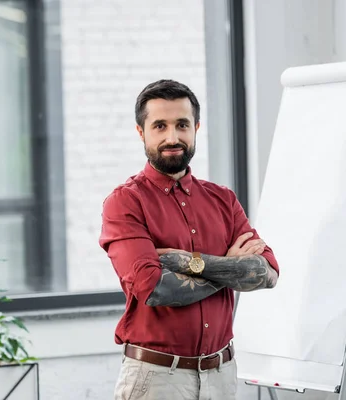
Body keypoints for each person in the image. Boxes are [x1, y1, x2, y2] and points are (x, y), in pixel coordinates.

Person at [99, 79, 280, 400]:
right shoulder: (126, 202)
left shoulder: (223, 199)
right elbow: (153, 288)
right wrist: (231, 268)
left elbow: (267, 274)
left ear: (196, 128)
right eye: (160, 126)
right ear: (141, 132)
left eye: (182, 125)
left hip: (221, 374)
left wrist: (187, 262)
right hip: (157, 379)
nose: (173, 137)